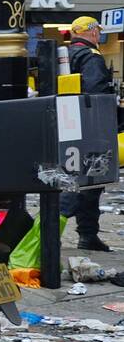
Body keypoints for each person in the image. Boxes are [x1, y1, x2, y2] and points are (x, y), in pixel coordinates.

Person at [60, 16, 117, 251]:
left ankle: (87, 235)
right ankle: (54, 228)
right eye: (98, 32)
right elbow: (96, 93)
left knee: (86, 181)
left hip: (67, 124)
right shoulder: (91, 57)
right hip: (91, 128)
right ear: (92, 32)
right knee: (88, 179)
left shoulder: (64, 56)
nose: (99, 36)